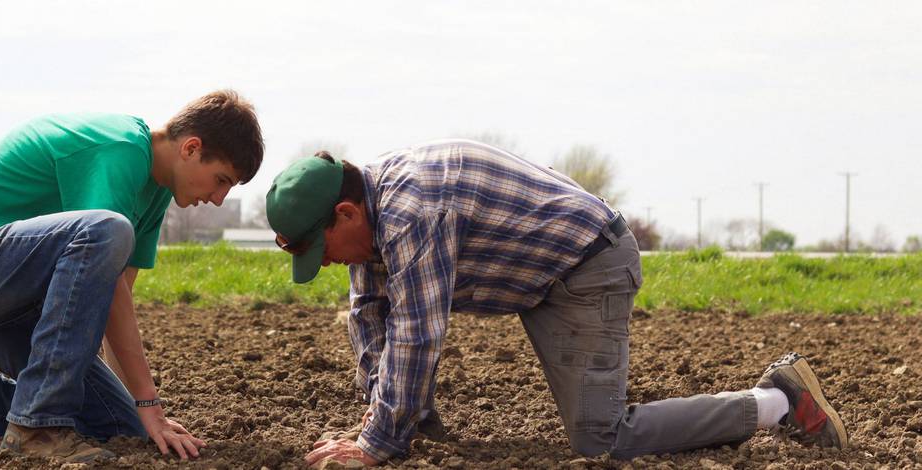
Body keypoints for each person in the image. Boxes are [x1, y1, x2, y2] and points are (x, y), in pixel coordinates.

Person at [264, 141, 847, 466]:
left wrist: (376, 445)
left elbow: (417, 332)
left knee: (603, 438)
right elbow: (372, 319)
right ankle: (409, 422)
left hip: (587, 267)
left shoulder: (413, 210)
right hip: (538, 274)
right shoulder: (367, 211)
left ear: (346, 214)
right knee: (398, 406)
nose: (332, 263)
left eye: (326, 250)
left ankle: (776, 401)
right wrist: (382, 415)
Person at [0, 90, 264, 463]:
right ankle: (35, 428)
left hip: (3, 298)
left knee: (118, 425)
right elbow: (103, 253)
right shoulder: (122, 149)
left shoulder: (157, 191)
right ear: (191, 148)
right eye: (221, 180)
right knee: (107, 230)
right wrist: (151, 403)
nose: (218, 199)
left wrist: (141, 411)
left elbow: (115, 301)